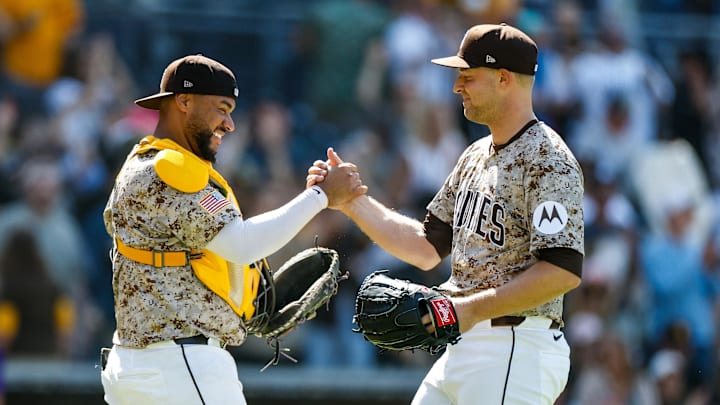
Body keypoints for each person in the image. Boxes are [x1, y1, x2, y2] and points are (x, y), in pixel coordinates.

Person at [309, 23, 584, 404]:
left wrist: (469, 308)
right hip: (463, 345)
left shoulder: (548, 160)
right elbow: (426, 247)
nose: (457, 87)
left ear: (503, 79)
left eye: (468, 77)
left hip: (516, 346)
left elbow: (562, 270)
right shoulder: (474, 155)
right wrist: (352, 201)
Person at [100, 54, 366, 405]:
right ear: (184, 102)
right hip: (178, 365)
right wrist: (320, 196)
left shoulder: (144, 162)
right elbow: (241, 244)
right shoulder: (171, 167)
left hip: (144, 363)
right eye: (221, 108)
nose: (229, 124)